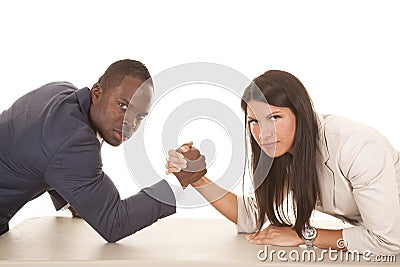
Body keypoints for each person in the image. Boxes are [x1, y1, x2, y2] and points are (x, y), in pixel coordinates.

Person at [166, 70, 400, 255]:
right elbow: (251, 218)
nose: (262, 133)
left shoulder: (357, 146)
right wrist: (196, 177)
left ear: (301, 113)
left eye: (275, 117)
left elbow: (388, 241)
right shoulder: (284, 153)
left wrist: (306, 235)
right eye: (254, 121)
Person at [0, 59, 204, 242]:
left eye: (140, 116)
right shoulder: (74, 143)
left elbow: (45, 154)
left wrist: (78, 202)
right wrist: (179, 180)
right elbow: (115, 222)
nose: (130, 123)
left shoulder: (59, 92)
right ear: (97, 93)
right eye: (123, 106)